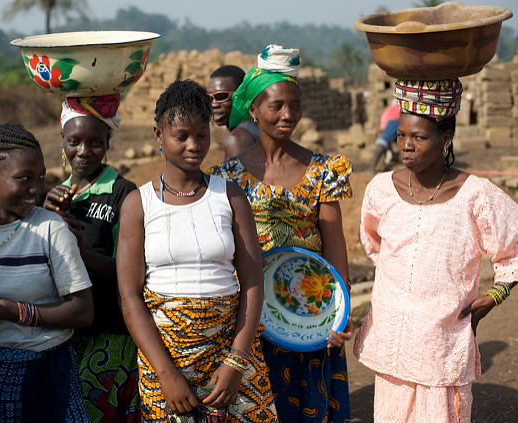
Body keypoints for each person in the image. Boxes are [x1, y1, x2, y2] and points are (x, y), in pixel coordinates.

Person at [354, 79, 518, 423]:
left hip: (441, 343)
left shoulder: (477, 196)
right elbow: (373, 245)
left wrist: (495, 295)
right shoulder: (381, 189)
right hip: (392, 346)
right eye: (401, 136)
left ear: (445, 139)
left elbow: (514, 247)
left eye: (419, 137)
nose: (406, 146)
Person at [117, 79, 278, 422]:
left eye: (202, 135)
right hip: (165, 362)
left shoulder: (230, 196)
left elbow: (252, 282)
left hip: (229, 357)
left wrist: (235, 362)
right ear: (158, 134)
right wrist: (167, 375)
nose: (194, 145)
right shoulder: (138, 205)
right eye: (181, 136)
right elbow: (129, 297)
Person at [209, 45, 354, 423]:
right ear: (253, 110)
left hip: (309, 313)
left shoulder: (322, 169)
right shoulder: (231, 174)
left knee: (308, 403)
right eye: (276, 106)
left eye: (295, 105)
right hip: (253, 313)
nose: (288, 115)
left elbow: (335, 242)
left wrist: (341, 311)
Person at [0, 123, 94, 422]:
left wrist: (8, 310)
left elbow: (82, 311)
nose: (36, 189)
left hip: (50, 376)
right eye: (24, 179)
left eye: (39, 178)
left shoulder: (51, 230)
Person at [43, 95, 140, 422]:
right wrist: (43, 220)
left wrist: (79, 251)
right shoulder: (56, 197)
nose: (84, 151)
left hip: (110, 332)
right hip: (65, 335)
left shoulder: (124, 193)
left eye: (95, 142)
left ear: (108, 142)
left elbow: (131, 273)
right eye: (75, 141)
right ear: (62, 141)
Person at [207, 65, 260, 159]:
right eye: (209, 98)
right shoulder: (253, 128)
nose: (213, 104)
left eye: (221, 96)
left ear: (241, 95)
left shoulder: (237, 139)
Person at [370, 100, 401, 172]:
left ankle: (371, 169)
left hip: (395, 118)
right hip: (398, 116)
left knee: (381, 145)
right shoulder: (389, 112)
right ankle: (378, 167)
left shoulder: (386, 119)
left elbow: (384, 142)